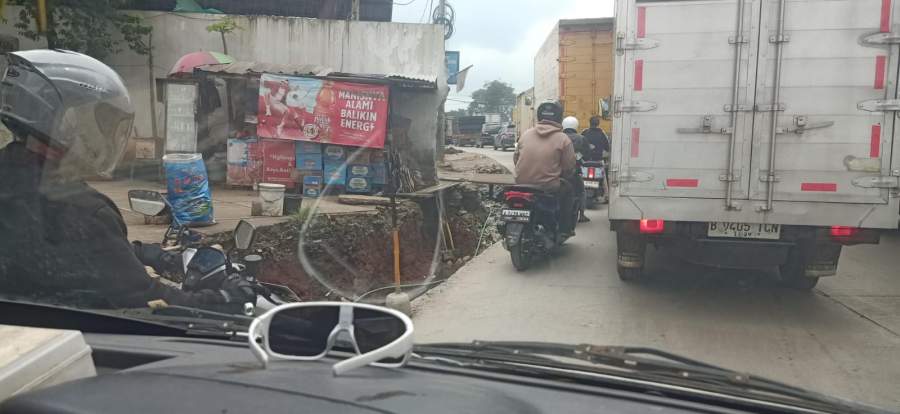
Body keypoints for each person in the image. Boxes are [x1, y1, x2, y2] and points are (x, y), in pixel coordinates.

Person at [0, 50, 255, 312]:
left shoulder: (15, 181)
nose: (106, 135)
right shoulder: (80, 209)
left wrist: (146, 253)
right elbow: (146, 302)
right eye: (101, 120)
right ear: (63, 123)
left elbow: (80, 252)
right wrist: (225, 300)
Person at [514, 102, 578, 236]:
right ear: (559, 118)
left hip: (521, 183)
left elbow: (516, 159)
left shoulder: (526, 134)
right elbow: (568, 167)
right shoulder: (563, 139)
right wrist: (564, 174)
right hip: (547, 186)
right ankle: (564, 228)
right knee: (568, 191)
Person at [561, 116, 590, 223]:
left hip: (558, 172)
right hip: (574, 172)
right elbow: (587, 155)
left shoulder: (558, 137)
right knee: (581, 192)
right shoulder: (581, 138)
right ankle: (581, 215)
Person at [581, 115, 611, 203]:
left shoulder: (584, 132)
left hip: (586, 161)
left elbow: (580, 144)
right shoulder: (602, 133)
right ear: (598, 124)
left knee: (578, 175)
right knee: (604, 178)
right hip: (598, 161)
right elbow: (607, 147)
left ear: (589, 123)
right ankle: (607, 196)